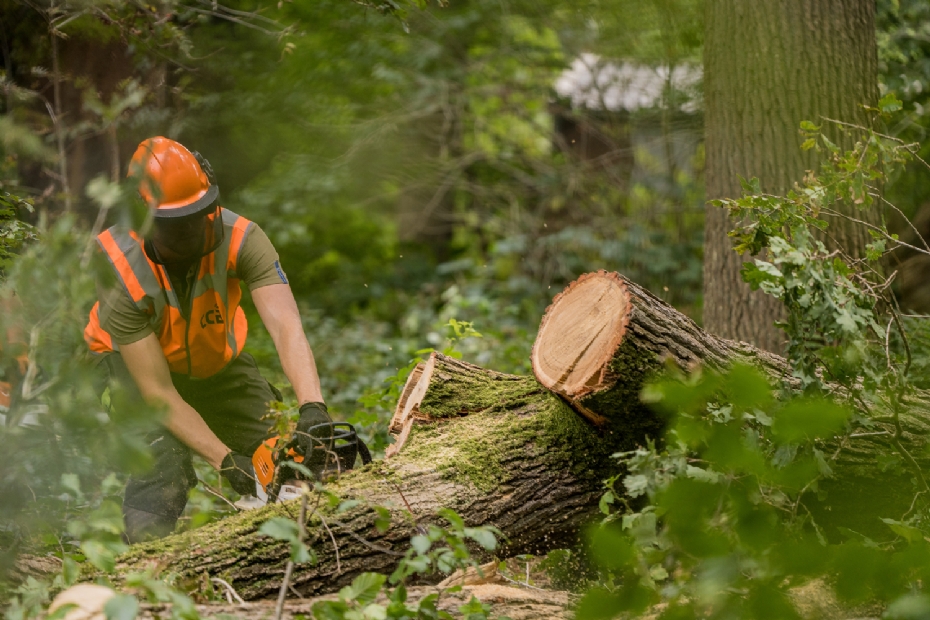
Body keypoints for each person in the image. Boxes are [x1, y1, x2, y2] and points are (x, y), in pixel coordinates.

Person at [84, 136, 332, 542]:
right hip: (132, 370)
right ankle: (148, 563)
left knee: (283, 453)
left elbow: (287, 326)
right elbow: (158, 393)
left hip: (215, 362)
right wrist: (225, 462)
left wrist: (313, 406)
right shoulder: (116, 263)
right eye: (172, 224)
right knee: (163, 461)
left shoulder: (242, 237)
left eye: (195, 217)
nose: (188, 233)